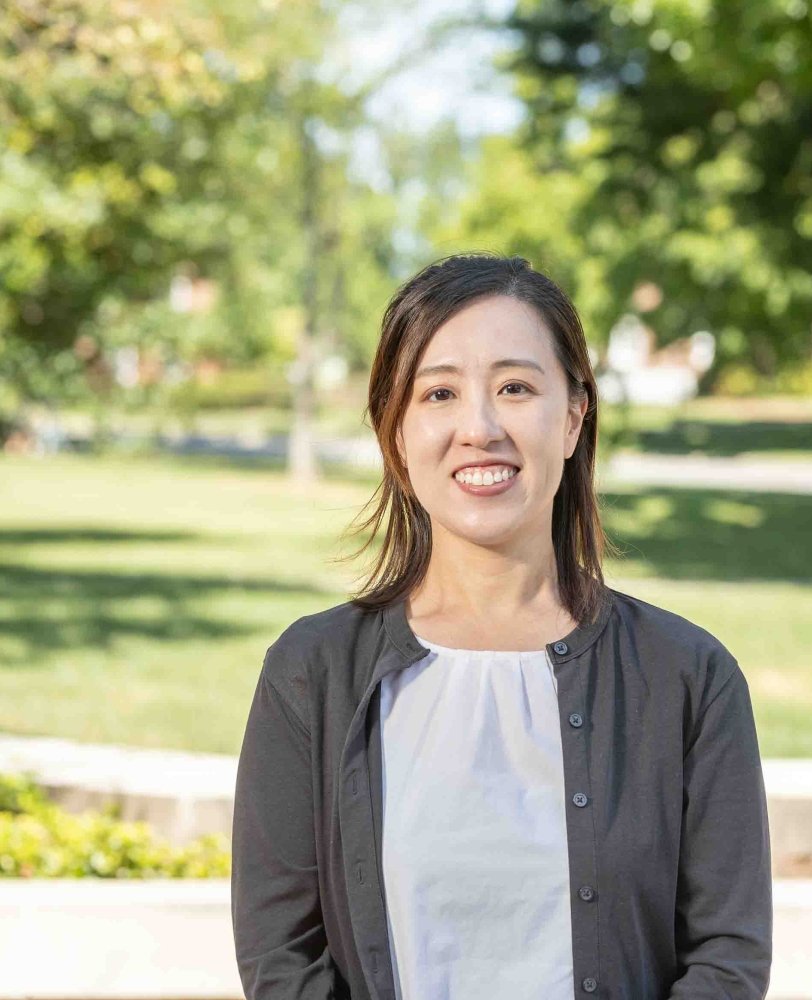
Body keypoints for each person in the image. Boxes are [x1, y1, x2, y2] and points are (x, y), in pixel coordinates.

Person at [230, 252, 772, 1000]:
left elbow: (728, 959)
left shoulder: (688, 677)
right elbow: (282, 960)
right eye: (440, 393)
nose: (479, 428)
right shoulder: (312, 673)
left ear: (575, 416)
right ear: (395, 434)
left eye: (515, 387)